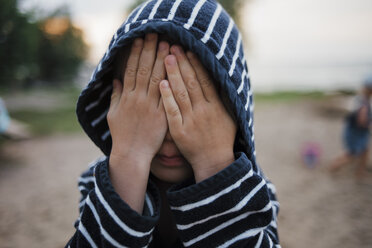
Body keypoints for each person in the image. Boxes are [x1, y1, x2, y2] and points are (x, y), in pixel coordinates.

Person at [67, 0, 280, 247]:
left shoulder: (252, 191)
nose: (170, 133)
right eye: (149, 106)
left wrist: (214, 163)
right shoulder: (100, 182)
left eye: (189, 104)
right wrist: (129, 158)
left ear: (235, 111)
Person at [330, 77, 372, 179]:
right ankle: (333, 167)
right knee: (351, 155)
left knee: (364, 151)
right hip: (356, 133)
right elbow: (362, 121)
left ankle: (359, 172)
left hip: (353, 130)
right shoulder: (364, 103)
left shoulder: (359, 98)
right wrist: (369, 125)